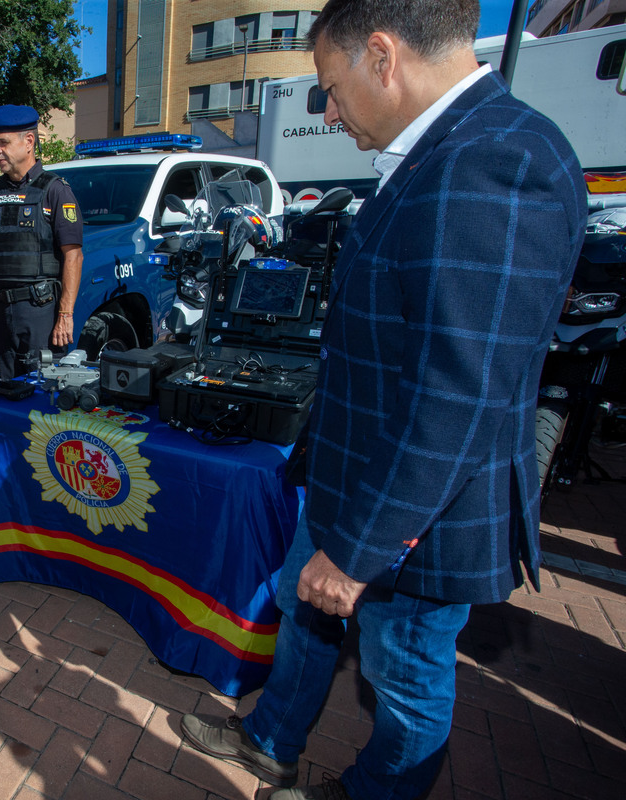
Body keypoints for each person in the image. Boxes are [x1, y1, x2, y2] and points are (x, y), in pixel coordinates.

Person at [177, 3, 587, 800]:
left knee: (405, 683)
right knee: (305, 618)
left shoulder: (496, 161)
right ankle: (270, 740)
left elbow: (457, 397)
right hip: (350, 481)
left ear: (382, 55)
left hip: (413, 518)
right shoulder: (446, 150)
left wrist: (361, 550)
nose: (328, 112)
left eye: (331, 88)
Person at [0, 105, 83, 379]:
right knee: (8, 389)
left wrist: (65, 314)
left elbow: (73, 256)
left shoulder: (55, 191)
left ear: (29, 141)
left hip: (40, 313)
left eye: (3, 143)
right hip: (0, 311)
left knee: (45, 390)